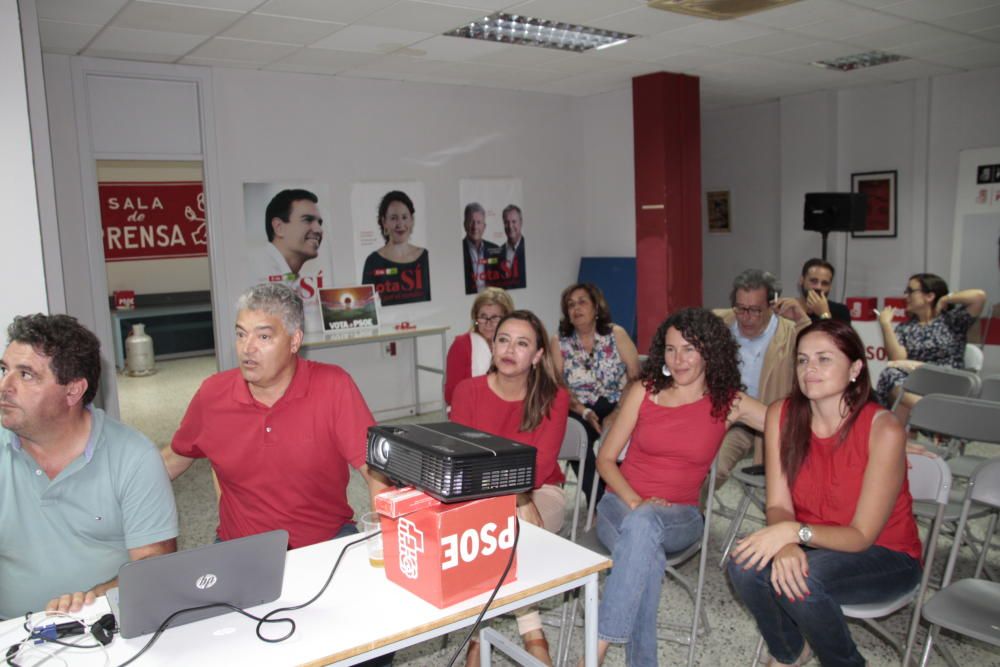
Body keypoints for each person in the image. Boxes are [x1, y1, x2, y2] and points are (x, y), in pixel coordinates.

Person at [728, 320, 922, 667]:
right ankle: (791, 651)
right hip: (812, 542)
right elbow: (778, 504)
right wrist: (786, 543)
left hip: (885, 555)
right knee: (743, 562)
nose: (810, 369)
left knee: (800, 581)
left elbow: (862, 536)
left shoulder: (883, 429)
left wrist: (794, 534)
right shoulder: (781, 415)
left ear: (856, 369)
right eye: (802, 360)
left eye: (824, 359)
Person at [592, 308, 765, 666]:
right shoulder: (645, 390)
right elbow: (606, 460)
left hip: (681, 516)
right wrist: (638, 502)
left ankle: (593, 654)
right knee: (645, 550)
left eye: (689, 349)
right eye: (670, 349)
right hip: (619, 506)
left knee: (643, 536)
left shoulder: (728, 401)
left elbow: (787, 422)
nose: (678, 358)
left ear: (710, 352)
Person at [163, 283, 390, 549]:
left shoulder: (333, 386)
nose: (247, 348)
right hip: (242, 548)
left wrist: (387, 541)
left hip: (324, 541)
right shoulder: (213, 394)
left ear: (294, 341)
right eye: (240, 334)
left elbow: (377, 472)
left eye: (263, 337)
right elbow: (173, 459)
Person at [0, 314, 177, 618]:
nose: (5, 386)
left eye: (26, 375)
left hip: (103, 623)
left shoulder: (133, 457)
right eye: (4, 370)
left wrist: (90, 601)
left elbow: (154, 569)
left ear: (72, 391)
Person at [450, 310, 570, 666]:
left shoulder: (554, 397)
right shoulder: (467, 391)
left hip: (540, 494)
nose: (509, 350)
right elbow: (462, 462)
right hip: (484, 499)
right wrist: (512, 494)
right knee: (496, 529)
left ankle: (477, 638)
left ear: (536, 356)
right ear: (492, 345)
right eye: (503, 340)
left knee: (500, 530)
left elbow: (541, 467)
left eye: (522, 343)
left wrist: (517, 495)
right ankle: (531, 632)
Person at [713, 269, 810, 486]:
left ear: (772, 305)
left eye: (755, 310)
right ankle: (691, 515)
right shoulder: (719, 324)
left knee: (715, 466)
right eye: (740, 308)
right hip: (718, 414)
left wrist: (804, 321)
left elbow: (821, 354)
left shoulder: (791, 333)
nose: (746, 317)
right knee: (693, 463)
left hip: (762, 420)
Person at [552, 283, 640, 506]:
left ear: (596, 308)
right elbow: (558, 384)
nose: (576, 308)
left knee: (618, 438)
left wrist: (619, 412)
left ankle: (619, 496)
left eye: (582, 302)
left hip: (616, 403)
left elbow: (636, 376)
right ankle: (599, 501)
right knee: (572, 435)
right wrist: (584, 411)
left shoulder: (615, 334)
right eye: (570, 305)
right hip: (578, 407)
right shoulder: (560, 342)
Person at [875, 273, 986, 421]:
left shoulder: (952, 320)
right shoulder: (906, 328)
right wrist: (886, 325)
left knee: (900, 392)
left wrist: (946, 298)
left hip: (948, 381)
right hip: (920, 382)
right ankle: (923, 418)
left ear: (929, 296)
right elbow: (897, 359)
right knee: (892, 376)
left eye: (910, 291)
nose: (905, 296)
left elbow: (979, 297)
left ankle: (931, 413)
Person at [256, 188, 327, 332]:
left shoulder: (288, 274)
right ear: (279, 227)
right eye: (308, 220)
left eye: (320, 222)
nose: (318, 230)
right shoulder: (257, 273)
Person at [444, 287, 514, 407]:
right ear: (476, 318)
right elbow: (451, 395)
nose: (488, 323)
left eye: (495, 317)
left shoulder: (514, 345)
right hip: (470, 410)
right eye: (483, 317)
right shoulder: (462, 345)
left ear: (506, 319)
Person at [361, 190, 431, 305]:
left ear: (412, 220)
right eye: (393, 218)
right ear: (384, 222)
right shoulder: (373, 262)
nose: (400, 224)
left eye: (404, 217)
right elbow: (367, 308)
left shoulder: (425, 257)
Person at [795, 258, 851, 323]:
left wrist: (824, 314)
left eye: (825, 283)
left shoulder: (841, 311)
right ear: (802, 280)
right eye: (813, 281)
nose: (819, 287)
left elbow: (837, 333)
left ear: (830, 286)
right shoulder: (787, 309)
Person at [461, 202, 500, 294]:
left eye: (479, 222)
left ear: (484, 226)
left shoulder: (495, 249)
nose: (475, 227)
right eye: (471, 222)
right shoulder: (458, 250)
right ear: (465, 225)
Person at [493, 204, 526, 289]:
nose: (510, 226)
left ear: (521, 222)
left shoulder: (530, 249)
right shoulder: (497, 253)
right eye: (506, 222)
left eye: (514, 221)